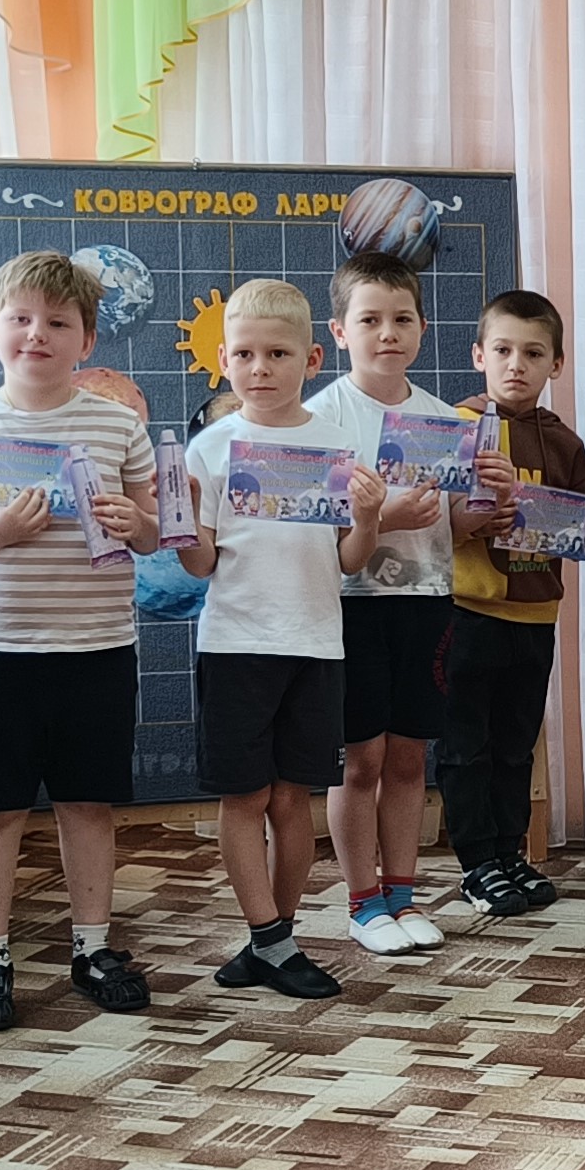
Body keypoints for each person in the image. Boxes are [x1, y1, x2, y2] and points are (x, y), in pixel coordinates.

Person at [0, 250, 162, 1032]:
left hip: (96, 647)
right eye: (20, 319)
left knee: (88, 806)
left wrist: (137, 522)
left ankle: (92, 949)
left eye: (58, 322)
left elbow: (158, 533)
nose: (37, 334)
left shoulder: (117, 425)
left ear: (86, 340)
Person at [176, 279, 419, 1003]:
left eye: (278, 354)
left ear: (312, 358)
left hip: (316, 645)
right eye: (245, 355)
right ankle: (271, 940)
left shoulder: (335, 443)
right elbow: (201, 565)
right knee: (244, 796)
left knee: (292, 798)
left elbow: (347, 560)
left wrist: (369, 519)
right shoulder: (210, 448)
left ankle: (272, 938)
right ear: (223, 360)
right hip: (235, 645)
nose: (260, 369)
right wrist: (184, 523)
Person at [308, 250, 458, 956]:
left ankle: (403, 894)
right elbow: (306, 526)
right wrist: (382, 518)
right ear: (339, 332)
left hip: (428, 602)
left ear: (423, 328)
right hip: (351, 605)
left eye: (402, 319)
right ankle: (362, 902)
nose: (387, 333)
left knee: (408, 760)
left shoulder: (444, 421)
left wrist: (493, 502)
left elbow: (459, 523)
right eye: (369, 320)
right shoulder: (317, 420)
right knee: (359, 762)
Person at [442, 291, 585, 914]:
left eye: (534, 354)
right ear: (478, 355)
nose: (517, 365)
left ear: (555, 364)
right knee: (466, 745)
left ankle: (510, 853)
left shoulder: (564, 443)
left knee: (516, 744)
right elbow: (433, 520)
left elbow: (581, 528)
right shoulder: (456, 427)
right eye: (504, 350)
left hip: (536, 615)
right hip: (467, 612)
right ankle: (476, 862)